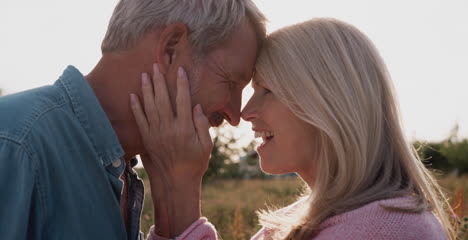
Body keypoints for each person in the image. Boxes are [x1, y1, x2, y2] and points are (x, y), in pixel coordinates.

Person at [132, 18, 455, 239]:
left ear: (328, 103)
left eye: (267, 90)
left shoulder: (386, 230)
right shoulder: (312, 219)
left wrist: (183, 183)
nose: (246, 111)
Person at [0, 0, 266, 239]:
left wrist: (175, 198)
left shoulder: (122, 168)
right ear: (171, 48)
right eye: (230, 82)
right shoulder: (16, 145)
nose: (234, 115)